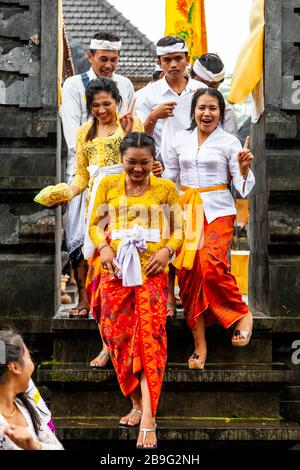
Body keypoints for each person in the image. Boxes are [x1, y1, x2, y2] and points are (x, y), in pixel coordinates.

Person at [89, 132, 183, 448]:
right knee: (116, 337)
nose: (138, 170)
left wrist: (167, 251)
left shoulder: (166, 189)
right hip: (115, 271)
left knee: (149, 341)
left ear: (153, 161)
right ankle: (137, 402)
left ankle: (148, 418)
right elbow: (95, 224)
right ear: (122, 160)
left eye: (144, 163)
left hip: (151, 273)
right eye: (131, 163)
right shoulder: (108, 185)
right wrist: (102, 247)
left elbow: (180, 230)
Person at [163, 88, 255, 370]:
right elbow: (169, 178)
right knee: (190, 276)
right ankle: (200, 344)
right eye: (202, 107)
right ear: (193, 110)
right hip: (187, 210)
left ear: (221, 112)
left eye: (213, 108)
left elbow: (242, 189)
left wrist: (241, 169)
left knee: (210, 263)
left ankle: (241, 313)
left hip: (219, 210)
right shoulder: (179, 140)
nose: (207, 113)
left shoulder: (229, 142)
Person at [61, 31, 135, 325]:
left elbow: (128, 127)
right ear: (90, 57)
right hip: (84, 170)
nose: (108, 65)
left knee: (120, 239)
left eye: (114, 59)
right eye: (103, 59)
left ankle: (117, 297)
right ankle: (83, 297)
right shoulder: (73, 85)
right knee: (80, 237)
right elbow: (72, 133)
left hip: (120, 173)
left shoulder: (126, 85)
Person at [135, 35, 206, 317]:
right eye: (168, 60)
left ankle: (191, 296)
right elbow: (137, 138)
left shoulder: (202, 92)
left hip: (194, 173)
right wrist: (153, 117)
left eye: (179, 59)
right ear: (159, 63)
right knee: (164, 233)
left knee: (193, 235)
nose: (174, 65)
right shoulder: (147, 96)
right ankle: (166, 295)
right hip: (160, 172)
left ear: (188, 59)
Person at [0, 330, 63, 450]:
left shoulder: (25, 404)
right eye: (28, 356)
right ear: (15, 367)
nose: (32, 364)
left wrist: (35, 447)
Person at [191, 53, 239, 137]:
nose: (205, 90)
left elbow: (230, 145)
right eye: (201, 84)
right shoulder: (177, 102)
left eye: (212, 86)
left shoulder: (226, 111)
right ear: (192, 77)